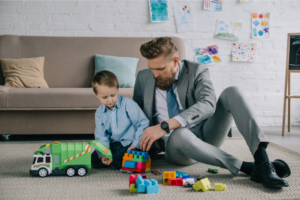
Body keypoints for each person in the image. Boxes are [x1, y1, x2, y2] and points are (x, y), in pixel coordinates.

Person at [133, 37, 291, 187]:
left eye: (160, 69)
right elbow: (136, 114)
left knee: (232, 92)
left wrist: (165, 125)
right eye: (151, 68)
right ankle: (248, 168)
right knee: (180, 133)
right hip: (175, 145)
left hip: (206, 133)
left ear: (175, 61)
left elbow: (208, 104)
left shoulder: (196, 70)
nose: (155, 74)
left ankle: (262, 161)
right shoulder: (143, 77)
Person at [91, 70, 149, 170]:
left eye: (112, 95)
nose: (109, 100)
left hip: (129, 143)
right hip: (112, 145)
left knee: (118, 160)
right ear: (96, 94)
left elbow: (142, 123)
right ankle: (112, 160)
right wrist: (104, 153)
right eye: (104, 97)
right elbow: (101, 135)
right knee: (95, 160)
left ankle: (118, 160)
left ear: (117, 89)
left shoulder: (128, 104)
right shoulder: (99, 113)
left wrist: (135, 144)